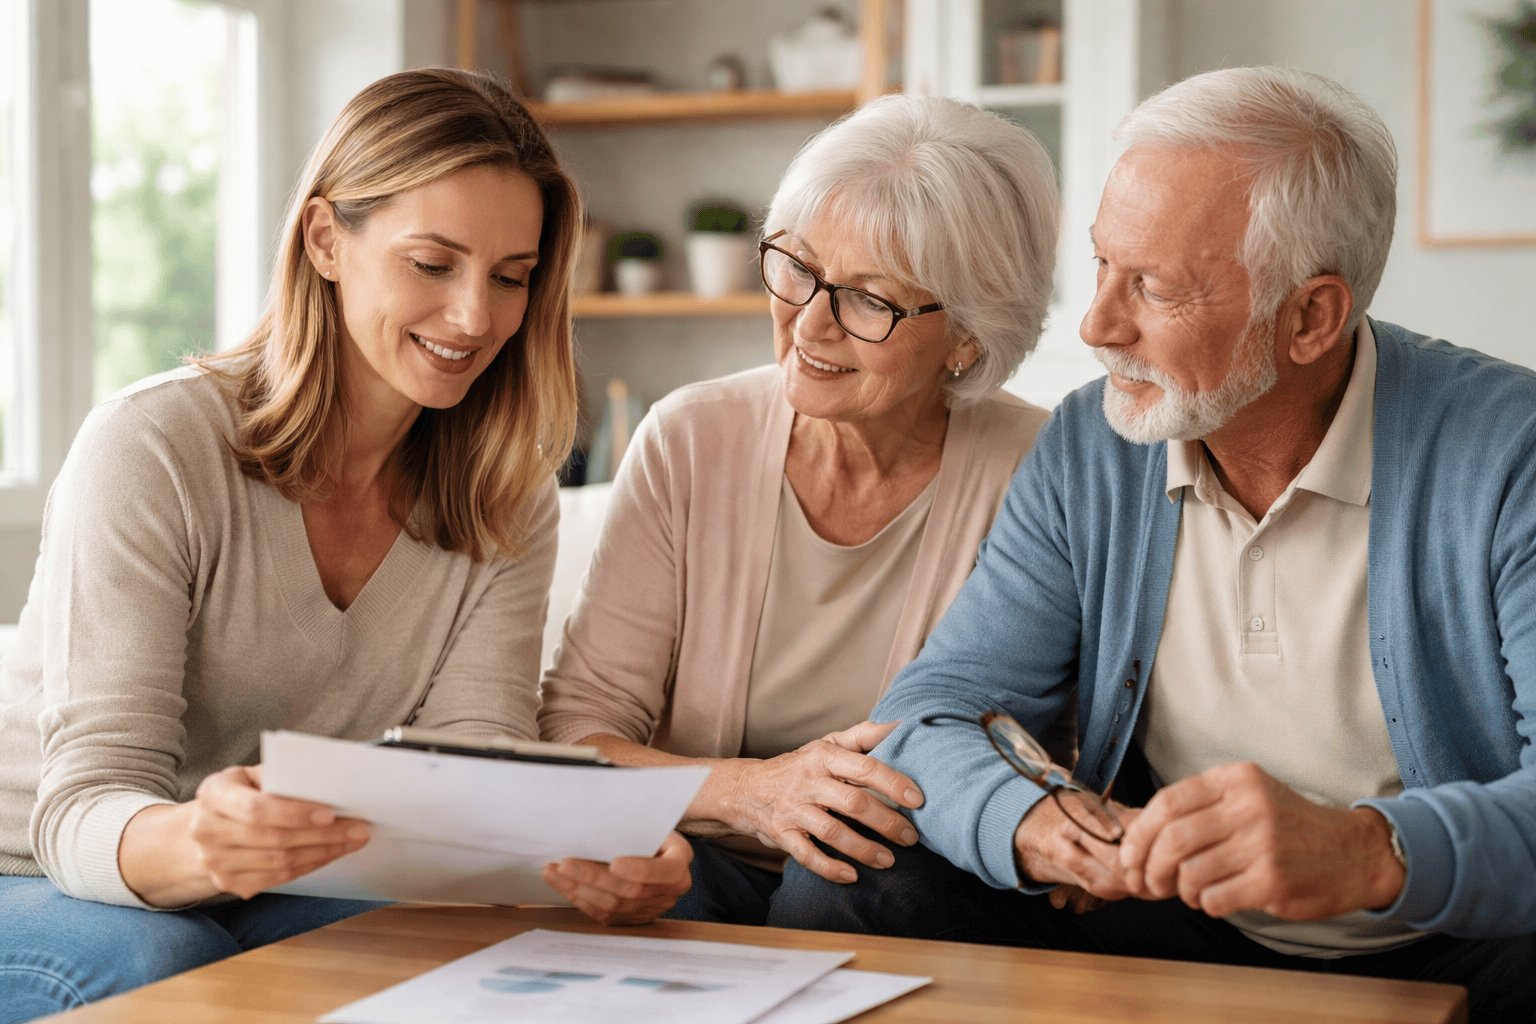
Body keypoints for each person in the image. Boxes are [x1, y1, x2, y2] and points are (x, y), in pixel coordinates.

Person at [769, 67, 1536, 1023]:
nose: (1096, 325)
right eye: (1100, 265)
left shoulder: (1511, 452)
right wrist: (1031, 824)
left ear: (1311, 317)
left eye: (1155, 289)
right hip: (1175, 921)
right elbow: (933, 712)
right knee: (845, 882)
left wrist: (1371, 851)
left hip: (1461, 943)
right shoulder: (1096, 443)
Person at [0, 67, 689, 1023]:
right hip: (43, 866)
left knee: (507, 951)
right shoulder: (155, 446)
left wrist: (592, 858)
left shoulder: (507, 490)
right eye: (432, 263)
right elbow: (79, 809)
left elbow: (472, 759)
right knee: (169, 957)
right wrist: (206, 843)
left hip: (277, 879)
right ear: (327, 240)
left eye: (511, 278)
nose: (474, 318)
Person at [538, 93, 1060, 924]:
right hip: (700, 852)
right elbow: (577, 731)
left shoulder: (1041, 472)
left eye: (868, 300)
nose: (809, 324)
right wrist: (749, 794)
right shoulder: (691, 437)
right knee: (659, 879)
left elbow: (1046, 751)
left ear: (967, 333)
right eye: (797, 267)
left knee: (847, 878)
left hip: (902, 877)